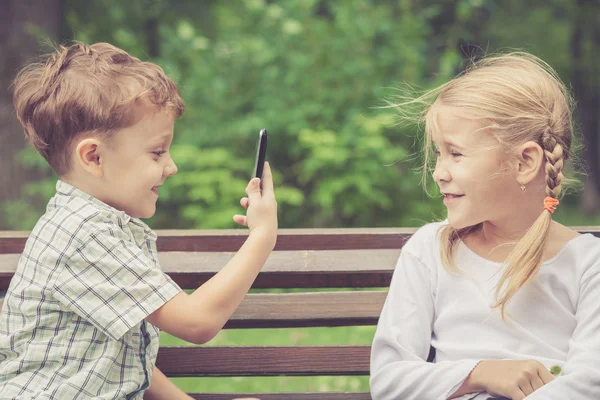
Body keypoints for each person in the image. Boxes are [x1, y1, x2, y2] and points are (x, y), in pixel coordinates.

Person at [0, 42, 276, 400]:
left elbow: (120, 357)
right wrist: (263, 235)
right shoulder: (85, 235)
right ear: (94, 157)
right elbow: (197, 322)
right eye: (158, 152)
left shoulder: (94, 226)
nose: (171, 166)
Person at [369, 52, 600, 400]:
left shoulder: (588, 265)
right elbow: (389, 380)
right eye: (438, 153)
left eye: (455, 153)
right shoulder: (429, 251)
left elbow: (590, 382)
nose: (438, 171)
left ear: (525, 162)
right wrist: (480, 373)